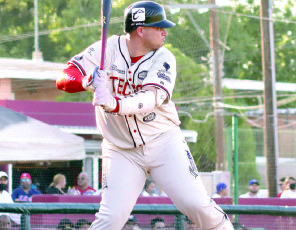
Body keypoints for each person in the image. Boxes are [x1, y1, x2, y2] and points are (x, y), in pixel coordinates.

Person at [56, 1, 234, 229]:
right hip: (120, 149)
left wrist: (113, 103)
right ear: (140, 30)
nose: (164, 32)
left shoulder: (164, 57)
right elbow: (64, 77)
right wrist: (86, 80)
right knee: (110, 219)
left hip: (163, 142)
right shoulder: (108, 48)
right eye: (159, 27)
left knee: (197, 205)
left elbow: (150, 99)